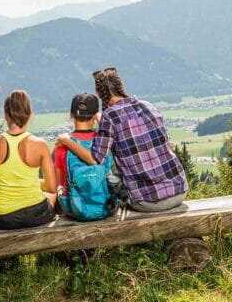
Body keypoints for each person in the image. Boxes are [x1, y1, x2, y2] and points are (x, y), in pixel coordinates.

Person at [56, 68, 188, 212]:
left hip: (147, 201)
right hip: (179, 190)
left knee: (109, 169)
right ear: (121, 86)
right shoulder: (148, 106)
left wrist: (67, 140)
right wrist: (103, 120)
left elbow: (95, 159)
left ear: (100, 94)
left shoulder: (109, 117)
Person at [0, 90, 58, 229]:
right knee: (57, 191)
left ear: (5, 115)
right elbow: (51, 187)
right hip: (35, 215)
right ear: (29, 115)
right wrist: (36, 182)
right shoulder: (40, 144)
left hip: (2, 218)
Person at [53, 93, 101, 200]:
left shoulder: (62, 145)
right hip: (102, 203)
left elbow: (60, 183)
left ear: (71, 114)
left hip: (74, 207)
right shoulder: (102, 142)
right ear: (95, 116)